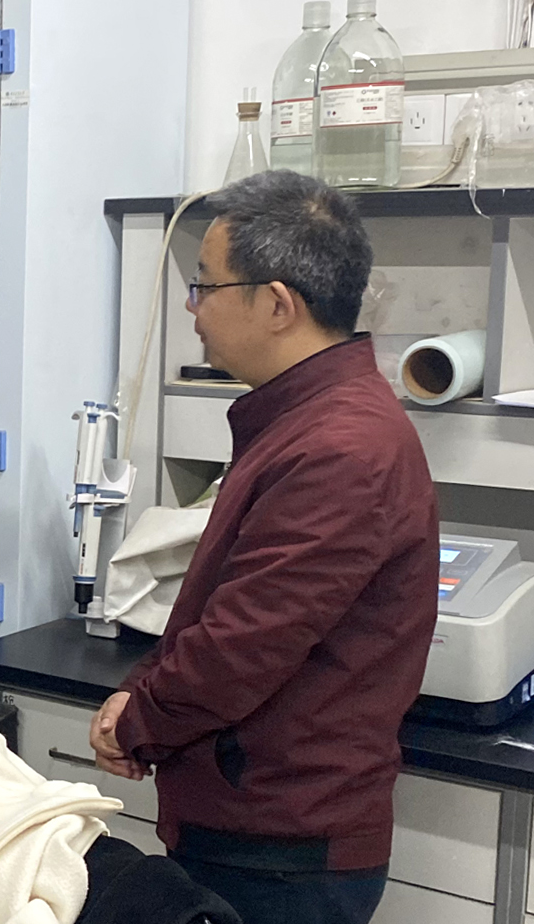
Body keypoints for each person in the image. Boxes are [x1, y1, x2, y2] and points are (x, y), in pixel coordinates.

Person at [87, 170, 438, 924]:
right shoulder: (302, 421)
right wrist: (140, 693)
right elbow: (222, 603)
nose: (193, 308)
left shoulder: (341, 447)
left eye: (205, 286)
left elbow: (243, 643)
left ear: (278, 304)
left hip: (281, 848)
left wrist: (137, 720)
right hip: (252, 821)